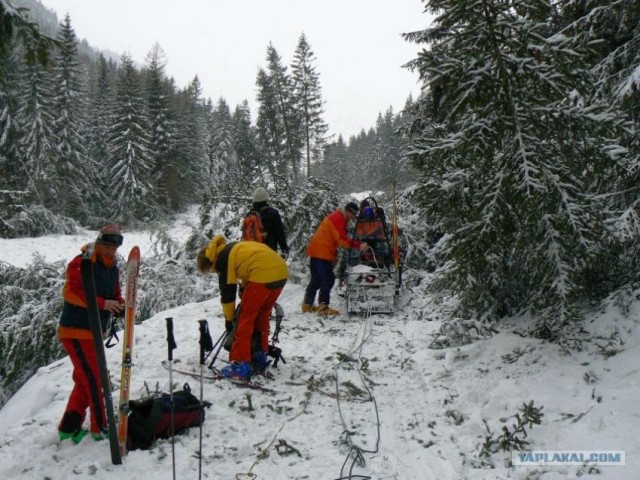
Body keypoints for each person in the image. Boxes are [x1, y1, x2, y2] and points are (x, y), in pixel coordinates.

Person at [57, 224, 124, 443]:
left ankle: (68, 428)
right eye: (108, 244)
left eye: (115, 245)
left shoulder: (112, 268)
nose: (112, 249)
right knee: (95, 380)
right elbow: (72, 293)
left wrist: (119, 306)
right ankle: (100, 427)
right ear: (100, 242)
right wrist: (103, 304)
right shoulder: (82, 263)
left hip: (95, 331)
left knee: (84, 380)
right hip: (75, 330)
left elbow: (116, 294)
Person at [196, 235, 288, 380]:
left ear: (210, 262)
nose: (214, 271)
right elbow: (249, 266)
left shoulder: (222, 260)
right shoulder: (232, 248)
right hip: (281, 272)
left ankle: (240, 365)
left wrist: (229, 319)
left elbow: (228, 295)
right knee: (262, 315)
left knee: (244, 321)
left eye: (211, 270)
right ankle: (259, 354)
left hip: (261, 274)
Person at [302, 202, 368, 315]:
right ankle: (323, 307)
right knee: (328, 279)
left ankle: (307, 305)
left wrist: (334, 255)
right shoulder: (338, 218)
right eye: (353, 215)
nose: (353, 218)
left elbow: (334, 238)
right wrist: (359, 246)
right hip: (322, 253)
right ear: (348, 212)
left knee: (316, 279)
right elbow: (342, 240)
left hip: (317, 251)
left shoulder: (337, 217)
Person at [246, 186, 289, 255]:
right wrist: (284, 249)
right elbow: (280, 233)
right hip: (269, 252)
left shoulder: (249, 215)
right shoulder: (273, 213)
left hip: (253, 253)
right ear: (266, 198)